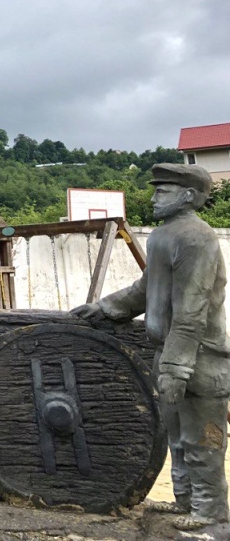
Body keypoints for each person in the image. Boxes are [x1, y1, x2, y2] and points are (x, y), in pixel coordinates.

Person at [72, 163, 229, 531]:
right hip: (171, 354)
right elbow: (145, 289)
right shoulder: (163, 236)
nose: (154, 197)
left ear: (188, 196)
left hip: (198, 359)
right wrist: (106, 308)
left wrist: (176, 367)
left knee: (202, 440)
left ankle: (210, 513)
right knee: (176, 437)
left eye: (163, 191)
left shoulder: (196, 238)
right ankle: (187, 502)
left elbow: (193, 308)